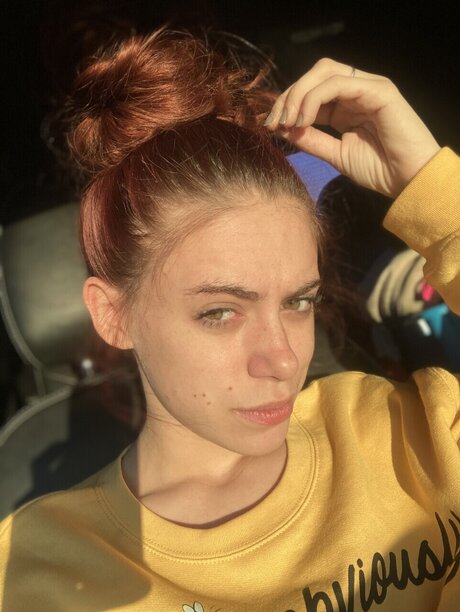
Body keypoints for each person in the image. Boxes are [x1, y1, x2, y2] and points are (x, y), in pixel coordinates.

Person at [0, 29, 459, 612]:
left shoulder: (404, 432)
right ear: (114, 316)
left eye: (298, 302)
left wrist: (435, 191)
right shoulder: (35, 573)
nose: (284, 360)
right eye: (219, 312)